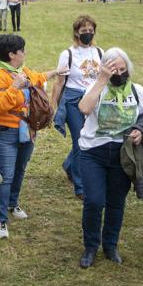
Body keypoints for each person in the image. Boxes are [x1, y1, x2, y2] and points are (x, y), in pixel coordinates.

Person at [77, 48, 143, 268]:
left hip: (123, 154)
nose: (118, 73)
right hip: (93, 152)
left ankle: (111, 246)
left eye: (122, 68)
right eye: (113, 69)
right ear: (104, 69)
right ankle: (91, 247)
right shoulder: (97, 88)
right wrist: (101, 80)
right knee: (94, 201)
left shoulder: (137, 91)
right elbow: (83, 108)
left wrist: (141, 132)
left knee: (116, 203)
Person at [0, 34, 65, 239]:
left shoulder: (21, 71)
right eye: (22, 50)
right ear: (12, 54)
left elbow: (37, 77)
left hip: (27, 131)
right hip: (5, 132)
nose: (25, 53)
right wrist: (15, 87)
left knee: (20, 169)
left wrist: (55, 72)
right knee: (6, 175)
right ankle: (0, 220)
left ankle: (13, 204)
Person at [51, 15, 104, 200]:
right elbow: (59, 82)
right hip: (73, 100)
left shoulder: (99, 52)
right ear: (76, 32)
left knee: (91, 136)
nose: (88, 34)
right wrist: (53, 105)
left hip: (93, 100)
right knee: (80, 139)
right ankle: (81, 186)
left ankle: (69, 164)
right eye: (84, 31)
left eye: (91, 31)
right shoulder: (68, 54)